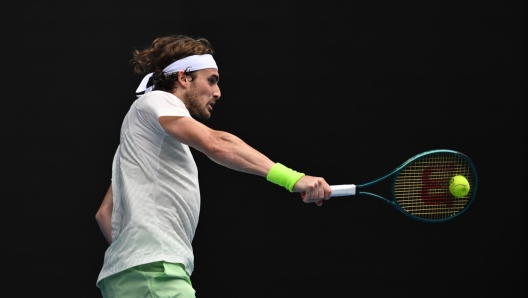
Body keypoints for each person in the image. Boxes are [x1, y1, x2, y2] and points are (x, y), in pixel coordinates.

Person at [95, 34, 332, 297]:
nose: (217, 92)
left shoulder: (136, 141)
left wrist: (135, 256)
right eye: (211, 80)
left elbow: (105, 213)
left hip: (125, 278)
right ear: (183, 78)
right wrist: (292, 178)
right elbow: (217, 143)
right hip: (156, 274)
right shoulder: (157, 100)